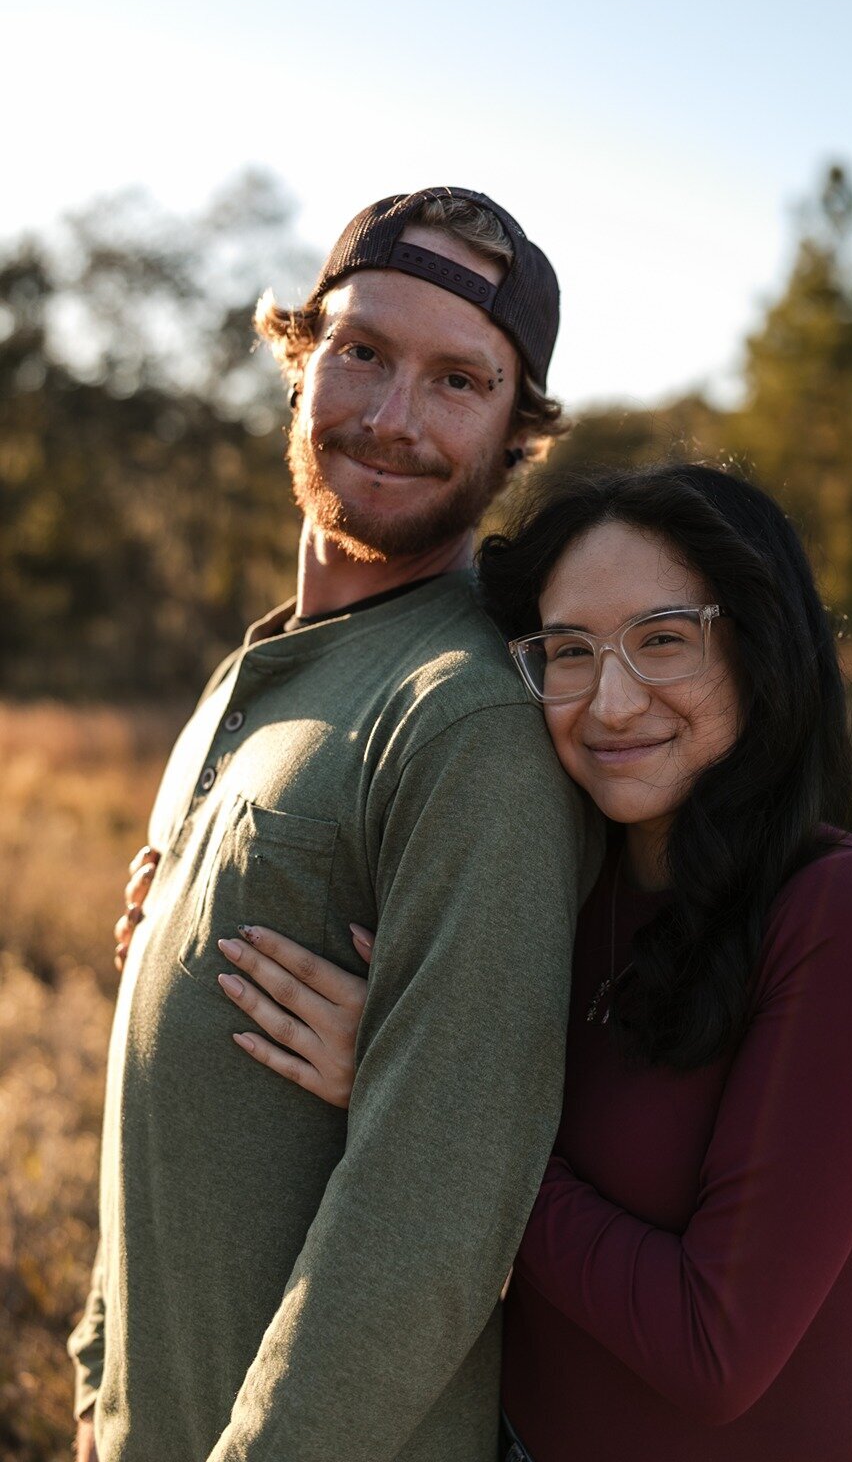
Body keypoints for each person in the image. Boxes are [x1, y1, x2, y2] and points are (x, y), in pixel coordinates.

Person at [199, 462, 852, 1462]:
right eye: (568, 651)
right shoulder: (555, 892)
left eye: (663, 640)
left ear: (760, 651)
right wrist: (181, 875)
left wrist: (423, 1103)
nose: (611, 701)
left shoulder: (851, 912)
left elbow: (711, 1350)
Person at [69, 187, 602, 1462]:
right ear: (300, 353)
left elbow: (432, 1217)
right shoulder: (255, 673)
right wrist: (99, 1383)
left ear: (518, 435)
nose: (391, 416)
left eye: (457, 380)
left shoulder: (466, 719)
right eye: (362, 351)